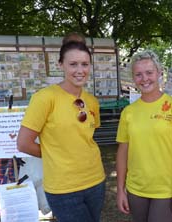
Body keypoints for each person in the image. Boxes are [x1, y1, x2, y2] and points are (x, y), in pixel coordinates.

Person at [17, 41, 106, 222]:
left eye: (85, 64)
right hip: (63, 188)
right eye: (73, 64)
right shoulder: (44, 98)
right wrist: (53, 152)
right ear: (61, 65)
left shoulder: (92, 101)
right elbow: (23, 143)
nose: (79, 70)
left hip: (96, 181)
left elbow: (86, 138)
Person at [115, 50, 172, 222]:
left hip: (165, 190)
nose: (144, 79)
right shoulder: (128, 112)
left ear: (159, 73)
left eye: (149, 73)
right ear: (133, 78)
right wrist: (120, 189)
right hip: (136, 189)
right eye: (138, 74)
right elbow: (123, 152)